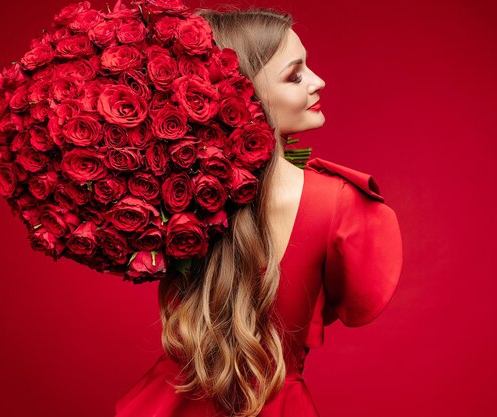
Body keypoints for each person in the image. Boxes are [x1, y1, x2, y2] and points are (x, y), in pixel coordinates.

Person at [113, 7, 403, 417]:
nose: (318, 81)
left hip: (173, 401)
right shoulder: (338, 203)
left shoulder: (171, 201)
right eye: (295, 74)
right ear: (244, 96)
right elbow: (351, 302)